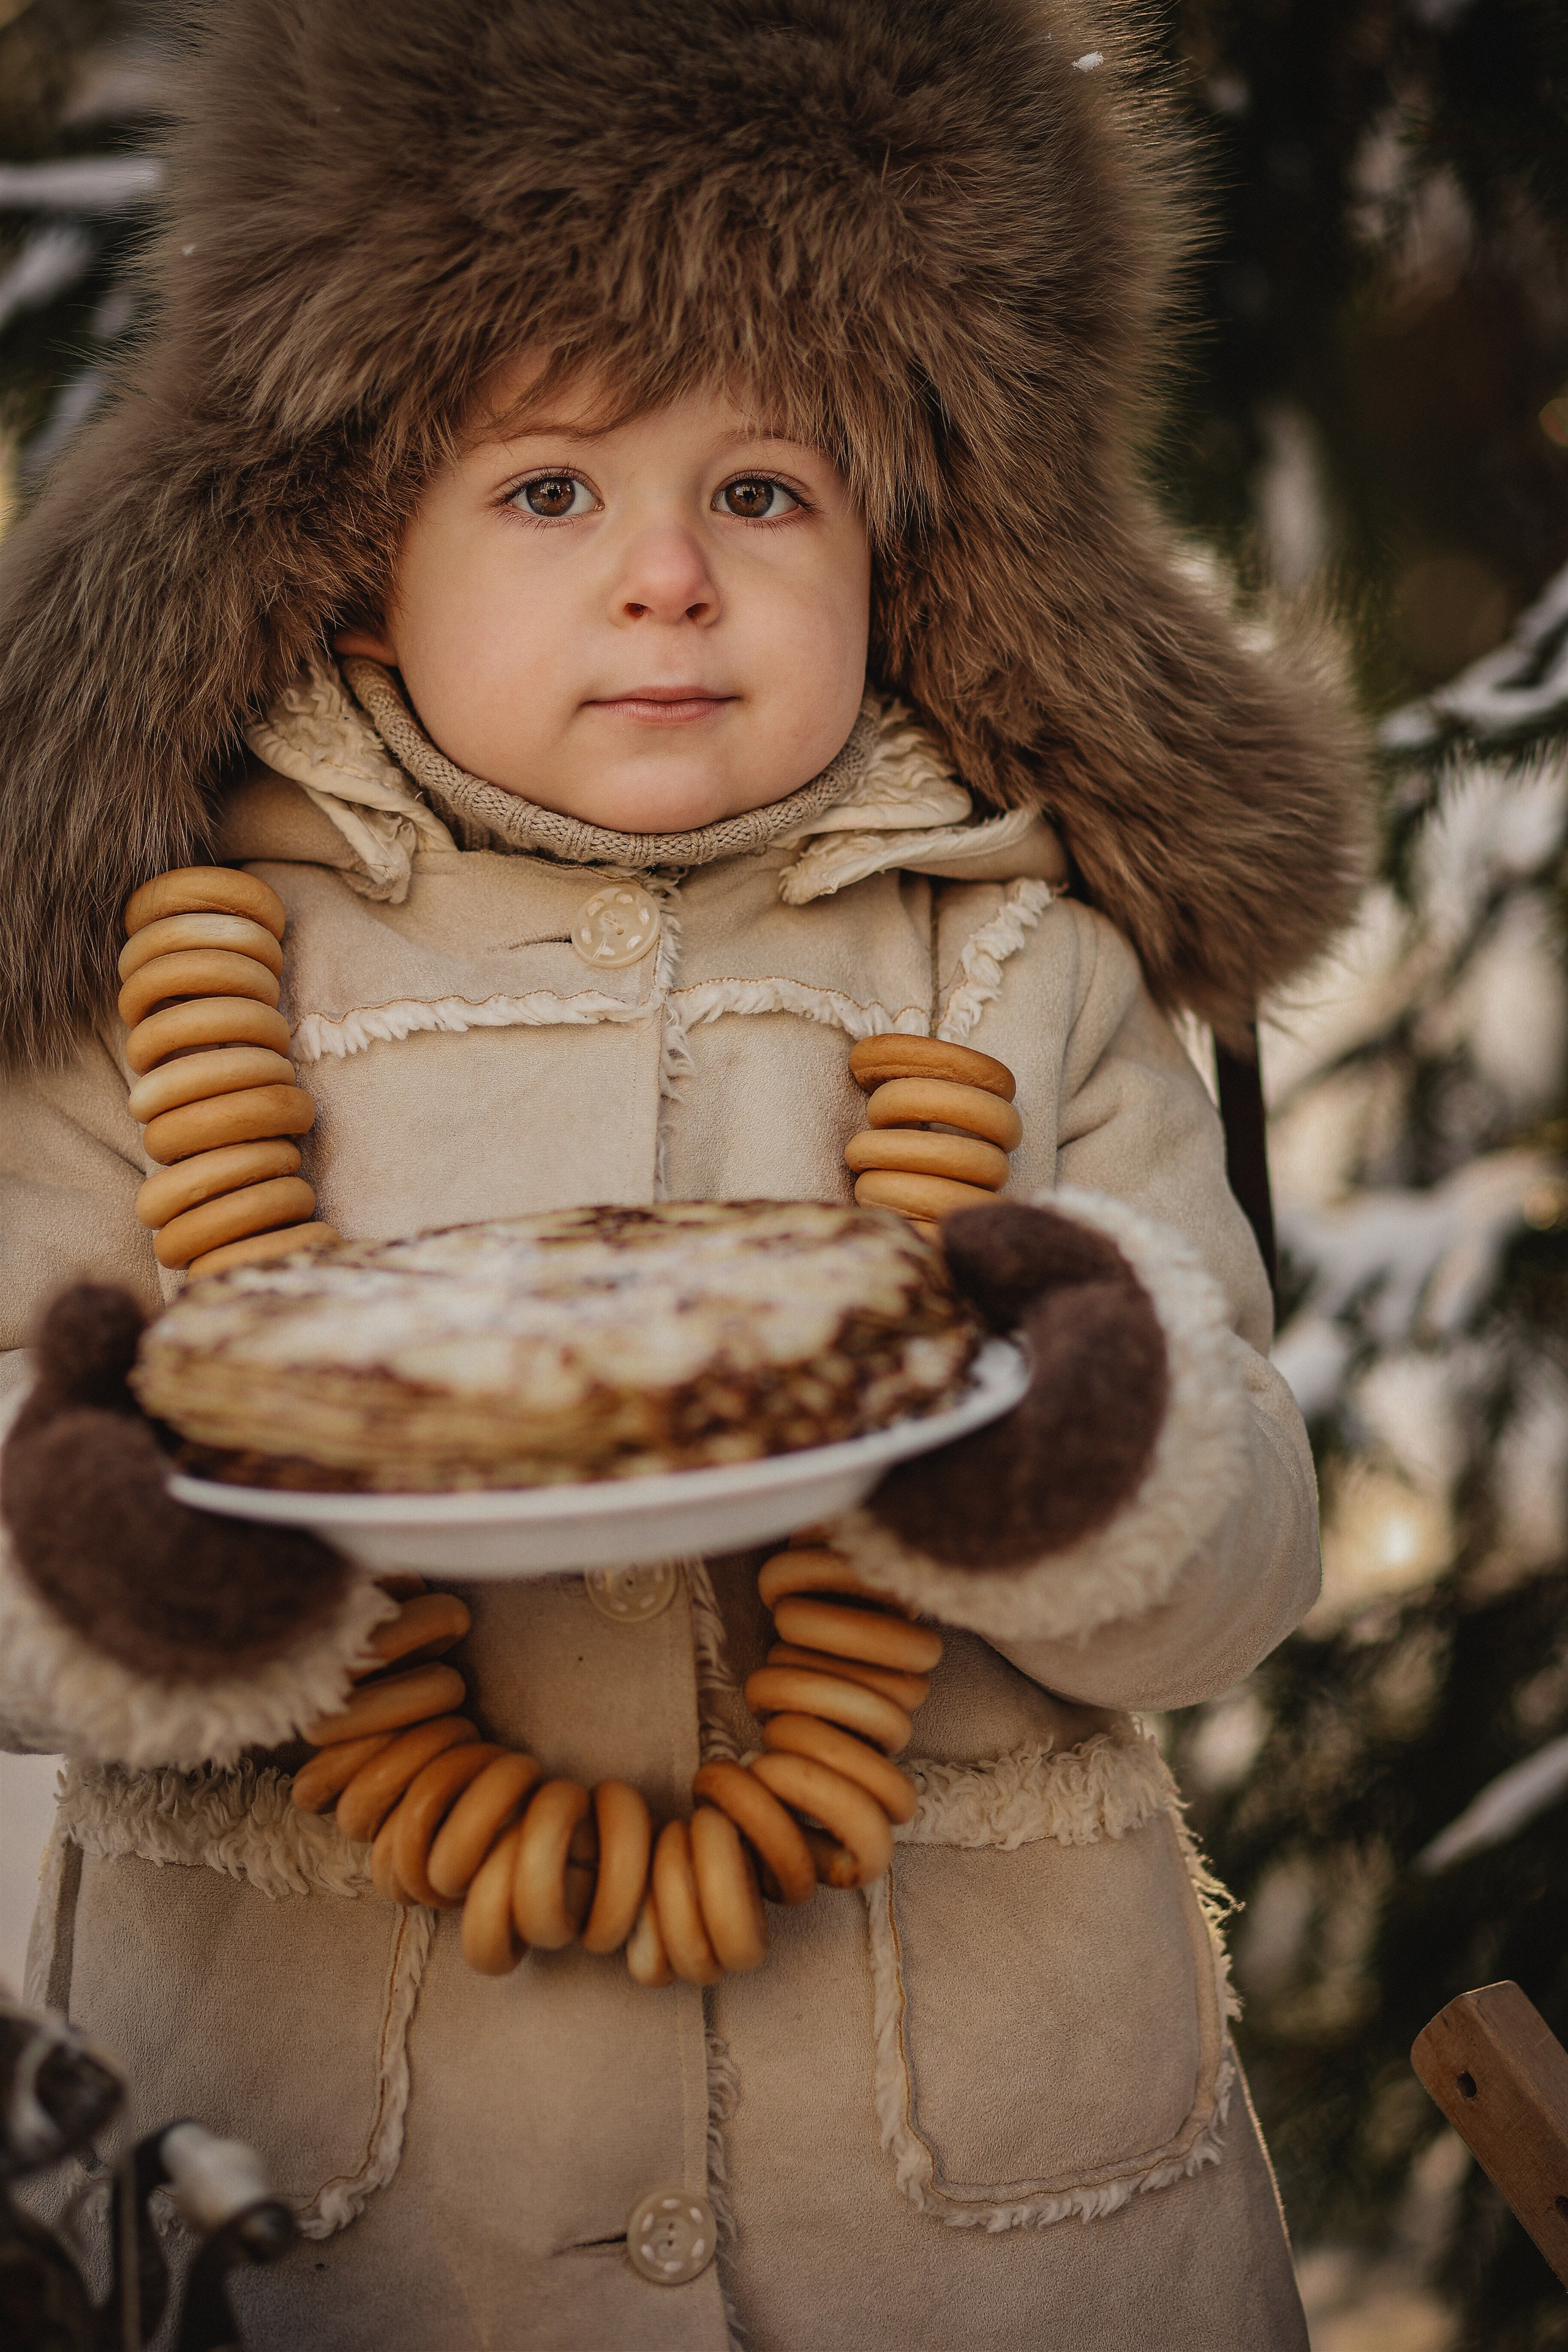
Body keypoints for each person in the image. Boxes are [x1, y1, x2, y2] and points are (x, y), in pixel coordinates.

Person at [0, 3, 1368, 2345]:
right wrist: (123, 1566)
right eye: (549, 489)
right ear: (351, 549)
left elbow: (1239, 1575)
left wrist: (1105, 1462)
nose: (668, 575)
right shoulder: (151, 973)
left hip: (986, 2245)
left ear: (919, 548)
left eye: (765, 488)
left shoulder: (1036, 959)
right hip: (334, 2227)